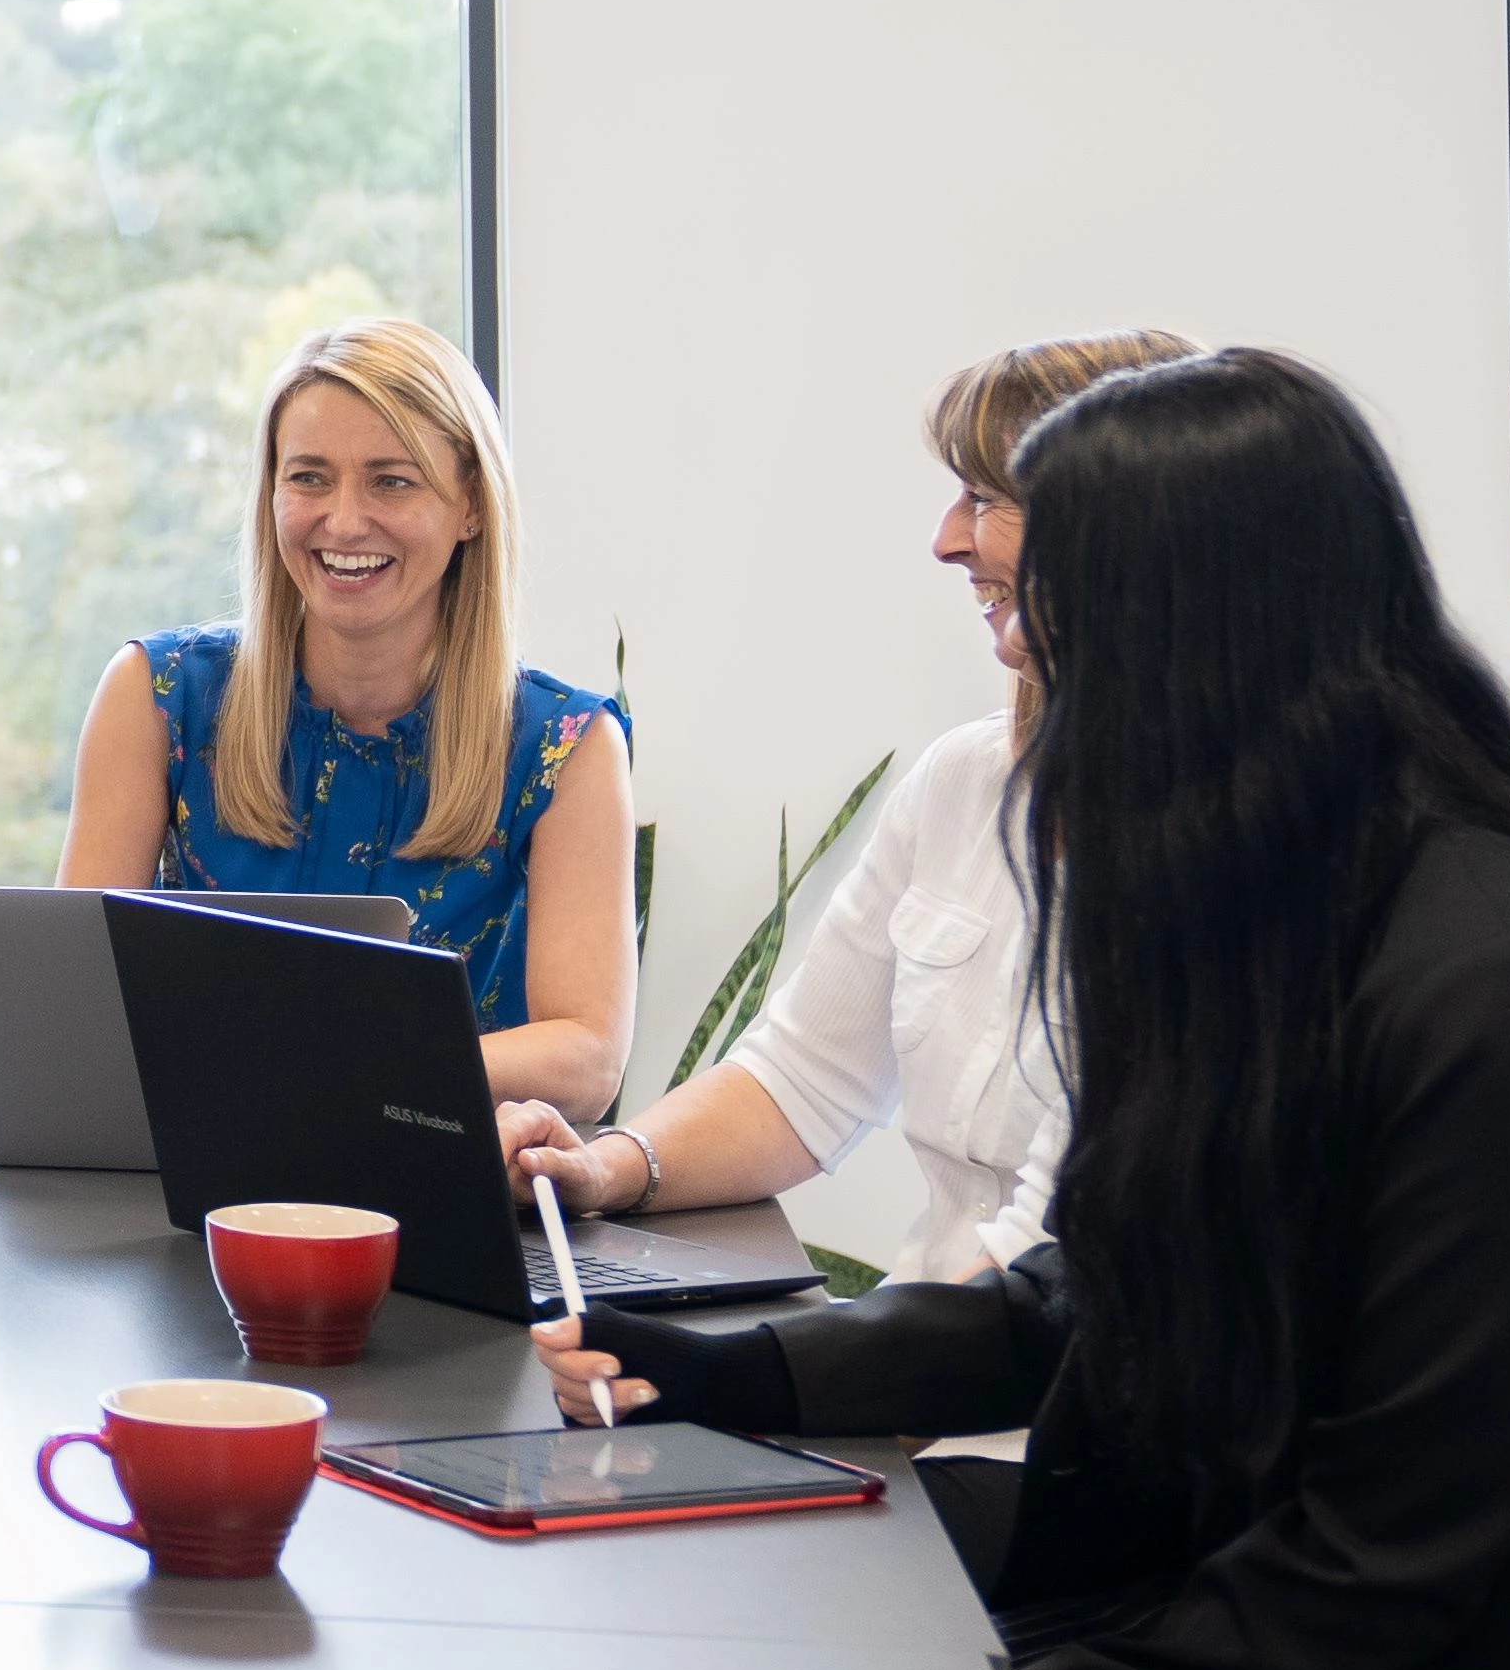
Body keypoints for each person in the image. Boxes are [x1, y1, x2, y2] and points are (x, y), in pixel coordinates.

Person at [540, 351, 1510, 1670]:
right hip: (1327, 1644)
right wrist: (722, 1375)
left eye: (1051, 628)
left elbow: (1375, 1570)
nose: (1025, 672)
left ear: (1188, 646)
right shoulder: (1281, 901)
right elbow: (1081, 1293)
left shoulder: (1504, 989)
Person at [506, 328, 1191, 1282]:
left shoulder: (1233, 850)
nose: (945, 538)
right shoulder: (960, 783)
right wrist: (604, 1167)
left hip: (1043, 1396)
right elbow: (803, 1079)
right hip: (927, 1382)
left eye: (986, 497)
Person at [56, 314, 634, 1113]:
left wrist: (329, 1056)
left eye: (391, 480)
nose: (344, 520)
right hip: (182, 1184)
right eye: (308, 477)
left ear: (469, 504)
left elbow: (586, 1057)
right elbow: (69, 1007)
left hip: (437, 1187)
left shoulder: (566, 746)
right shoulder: (155, 697)